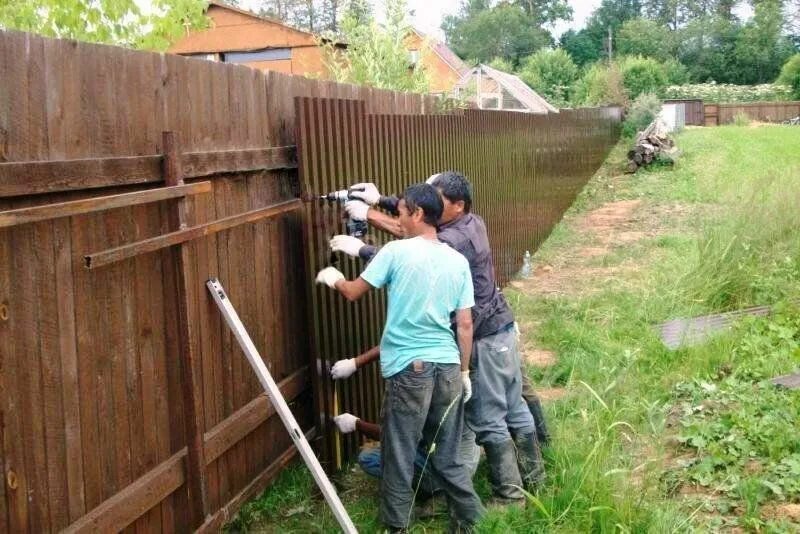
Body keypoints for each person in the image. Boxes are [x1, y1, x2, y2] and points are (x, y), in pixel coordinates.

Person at [330, 172, 546, 506]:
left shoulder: (455, 242)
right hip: (498, 332)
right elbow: (421, 216)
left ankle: (510, 497)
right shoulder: (471, 222)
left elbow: (412, 238)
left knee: (489, 418)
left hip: (483, 340)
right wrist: (381, 200)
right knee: (514, 407)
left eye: (437, 197)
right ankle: (537, 481)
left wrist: (366, 237)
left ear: (457, 206)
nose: (428, 204)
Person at [315, 184, 485, 532]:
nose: (400, 219)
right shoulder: (456, 260)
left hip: (410, 371)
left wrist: (332, 278)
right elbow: (465, 324)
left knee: (398, 455)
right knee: (449, 456)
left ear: (419, 214)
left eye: (403, 212)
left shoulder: (395, 252)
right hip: (450, 367)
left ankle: (396, 527)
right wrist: (465, 371)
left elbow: (352, 292)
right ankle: (473, 523)